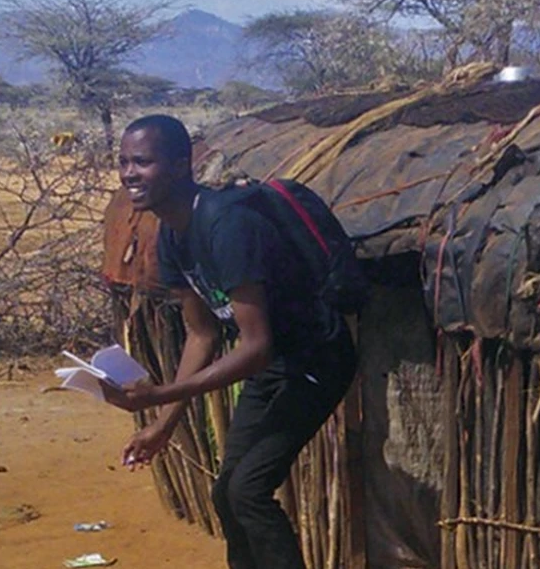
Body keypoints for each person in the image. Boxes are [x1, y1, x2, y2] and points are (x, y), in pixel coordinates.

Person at [102, 114, 356, 569]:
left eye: (142, 161)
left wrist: (161, 394)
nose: (128, 173)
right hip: (271, 367)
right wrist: (163, 423)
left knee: (248, 491)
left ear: (180, 166)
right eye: (123, 162)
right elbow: (203, 333)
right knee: (226, 492)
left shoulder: (227, 227)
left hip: (315, 360)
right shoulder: (172, 237)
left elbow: (255, 345)